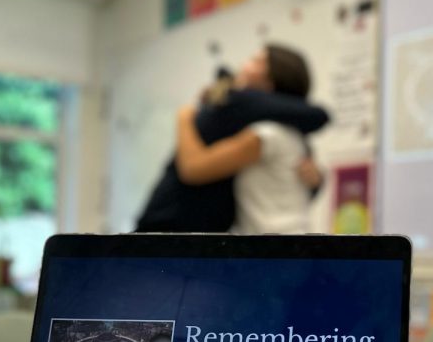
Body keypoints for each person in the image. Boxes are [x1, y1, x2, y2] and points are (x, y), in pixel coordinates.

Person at [134, 44, 328, 234]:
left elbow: (193, 168)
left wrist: (183, 117)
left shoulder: (265, 131)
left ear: (271, 80)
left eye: (256, 61)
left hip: (272, 246)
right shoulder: (292, 133)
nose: (244, 65)